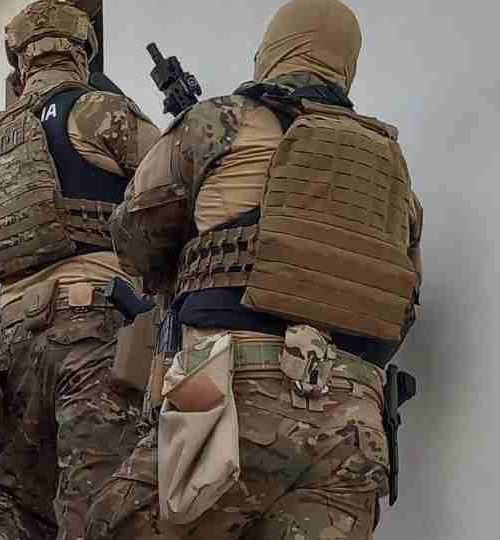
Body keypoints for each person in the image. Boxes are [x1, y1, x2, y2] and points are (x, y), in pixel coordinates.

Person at [86, 1, 425, 538]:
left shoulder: (223, 119)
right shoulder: (392, 169)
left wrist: (188, 271)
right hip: (355, 426)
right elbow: (403, 303)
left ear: (272, 50)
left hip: (236, 396)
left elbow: (132, 233)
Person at [0, 2, 161, 539]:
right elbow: (169, 188)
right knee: (98, 497)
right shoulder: (97, 110)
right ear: (80, 52)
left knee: (16, 503)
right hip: (92, 324)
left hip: (13, 336)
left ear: (20, 61)